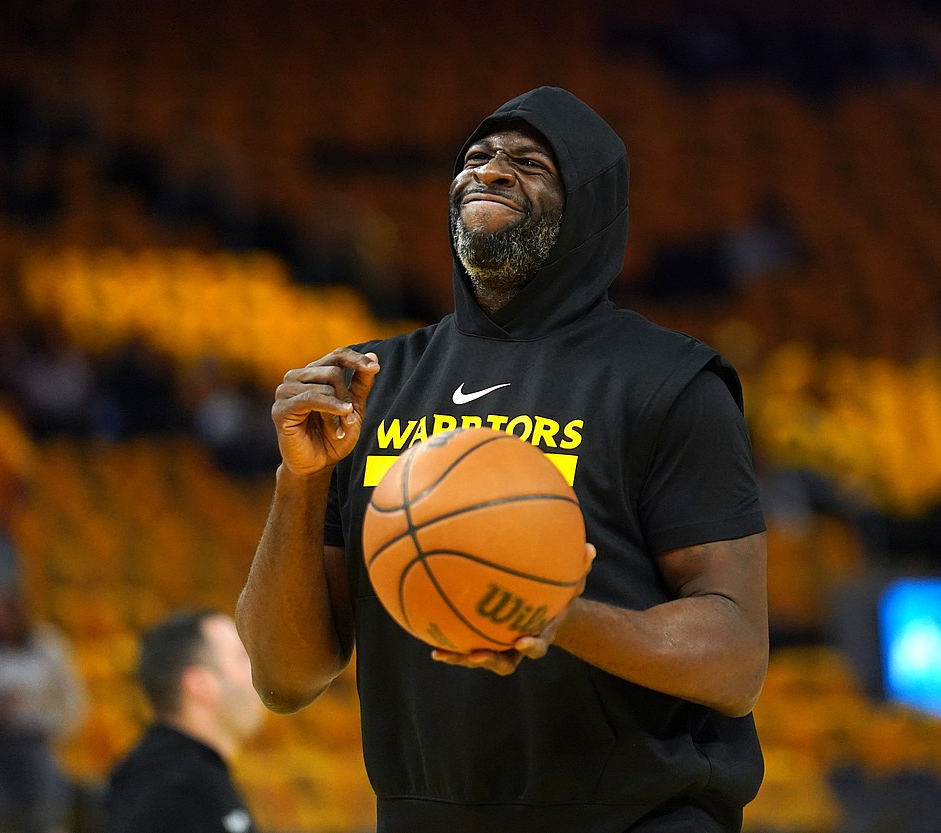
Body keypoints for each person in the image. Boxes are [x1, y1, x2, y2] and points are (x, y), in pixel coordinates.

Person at [237, 86, 769, 832]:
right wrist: (301, 477)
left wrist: (555, 616)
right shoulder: (373, 384)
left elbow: (738, 658)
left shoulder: (669, 380)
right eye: (477, 158)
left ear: (587, 205)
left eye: (528, 162)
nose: (489, 172)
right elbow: (286, 678)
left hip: (638, 816)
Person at [105, 610, 264, 833]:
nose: (257, 672)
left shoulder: (177, 772)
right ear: (199, 684)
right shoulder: (178, 787)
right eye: (242, 657)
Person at [0, 587, 84, 833]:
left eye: (5, 614)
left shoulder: (48, 648)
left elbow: (74, 698)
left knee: (46, 822)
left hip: (38, 747)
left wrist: (56, 728)